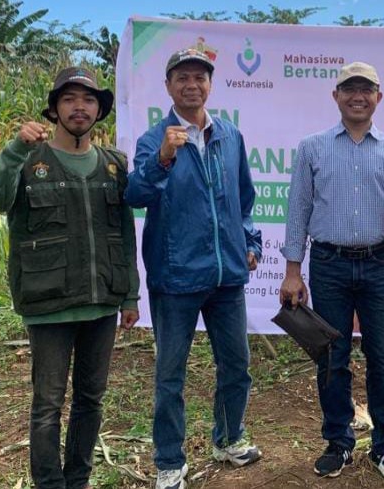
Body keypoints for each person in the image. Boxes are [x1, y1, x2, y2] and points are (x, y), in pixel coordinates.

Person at [0, 66, 140, 489]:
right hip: (48, 306)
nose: (79, 107)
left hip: (101, 301)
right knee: (47, 404)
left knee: (90, 400)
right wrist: (13, 149)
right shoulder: (29, 159)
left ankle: (78, 479)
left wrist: (130, 296)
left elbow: (123, 234)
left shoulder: (114, 166)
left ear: (99, 110)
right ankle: (50, 484)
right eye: (69, 99)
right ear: (53, 110)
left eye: (87, 100)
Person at [279, 61, 384, 488]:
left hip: (380, 263)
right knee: (332, 357)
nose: (357, 96)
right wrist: (293, 270)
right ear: (337, 97)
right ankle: (338, 441)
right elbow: (298, 210)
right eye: (349, 89)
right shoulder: (313, 147)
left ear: (378, 97)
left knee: (383, 358)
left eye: (366, 89)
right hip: (328, 264)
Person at [125, 48, 263, 489]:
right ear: (168, 86)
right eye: (182, 77)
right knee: (171, 375)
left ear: (210, 84)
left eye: (199, 77)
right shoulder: (154, 139)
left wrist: (251, 241)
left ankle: (228, 438)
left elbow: (244, 200)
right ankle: (169, 461)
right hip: (177, 278)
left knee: (236, 365)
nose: (192, 84)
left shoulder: (230, 136)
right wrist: (163, 157)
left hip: (226, 278)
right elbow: (135, 193)